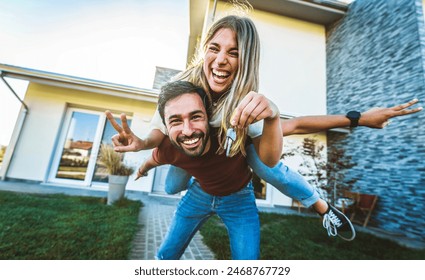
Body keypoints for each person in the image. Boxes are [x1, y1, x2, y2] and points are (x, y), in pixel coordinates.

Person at [106, 15, 422, 241]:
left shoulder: (246, 103)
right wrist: (141, 146)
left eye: (234, 52)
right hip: (189, 161)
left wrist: (359, 118)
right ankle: (196, 175)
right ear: (205, 50)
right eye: (214, 48)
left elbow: (294, 125)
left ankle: (323, 207)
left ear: (246, 59)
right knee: (172, 184)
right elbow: (159, 134)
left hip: (235, 166)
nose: (220, 60)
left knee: (263, 163)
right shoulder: (180, 88)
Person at [135, 80, 281, 259]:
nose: (187, 131)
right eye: (175, 121)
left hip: (239, 198)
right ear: (165, 126)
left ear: (209, 116)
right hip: (199, 194)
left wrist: (274, 115)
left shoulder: (234, 131)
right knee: (166, 255)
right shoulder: (169, 147)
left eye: (196, 117)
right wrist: (141, 169)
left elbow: (294, 127)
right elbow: (151, 160)